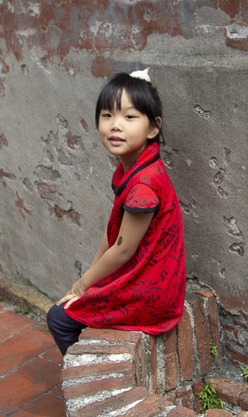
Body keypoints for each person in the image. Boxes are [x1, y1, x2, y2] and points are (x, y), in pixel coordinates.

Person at [47, 69, 186, 356]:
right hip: (150, 275)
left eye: (129, 117)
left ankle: (87, 375)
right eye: (107, 115)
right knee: (81, 301)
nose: (115, 126)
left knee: (59, 319)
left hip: (152, 291)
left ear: (153, 127)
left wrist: (83, 284)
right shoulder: (134, 169)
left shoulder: (144, 185)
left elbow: (122, 251)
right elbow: (112, 236)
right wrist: (87, 283)